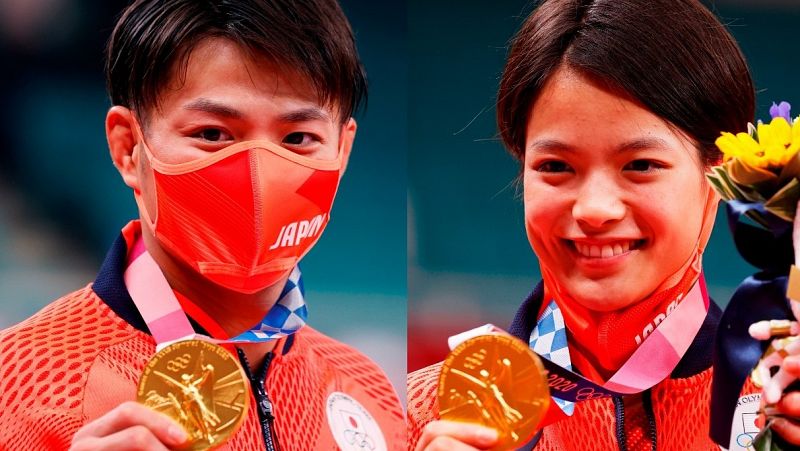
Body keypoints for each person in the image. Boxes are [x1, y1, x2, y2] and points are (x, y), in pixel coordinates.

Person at [0, 0, 404, 449]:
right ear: (127, 147)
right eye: (212, 134)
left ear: (342, 153)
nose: (258, 173)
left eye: (298, 139)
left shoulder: (373, 395)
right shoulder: (17, 380)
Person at [407, 0, 800, 449]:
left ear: (719, 173)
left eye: (641, 164)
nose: (594, 209)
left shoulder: (781, 397)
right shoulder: (425, 414)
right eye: (555, 166)